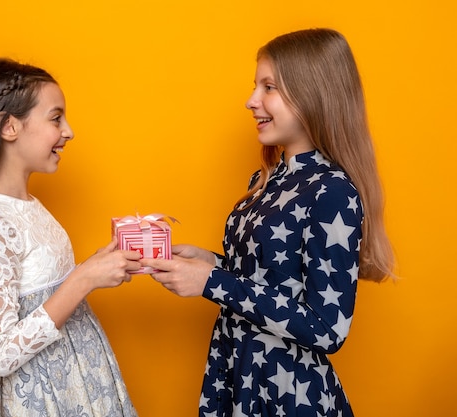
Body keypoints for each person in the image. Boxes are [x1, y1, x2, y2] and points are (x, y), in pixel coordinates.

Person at [140, 28, 394, 417]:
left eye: (269, 87)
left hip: (287, 392)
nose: (251, 101)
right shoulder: (269, 179)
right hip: (238, 374)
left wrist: (210, 282)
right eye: (255, 86)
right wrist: (210, 263)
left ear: (314, 93)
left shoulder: (332, 192)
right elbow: (270, 282)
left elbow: (328, 329)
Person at [0, 58, 141, 417]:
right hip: (44, 396)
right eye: (56, 118)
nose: (68, 131)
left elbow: (44, 286)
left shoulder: (31, 205)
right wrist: (83, 280)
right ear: (9, 127)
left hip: (75, 383)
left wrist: (97, 266)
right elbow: (1, 353)